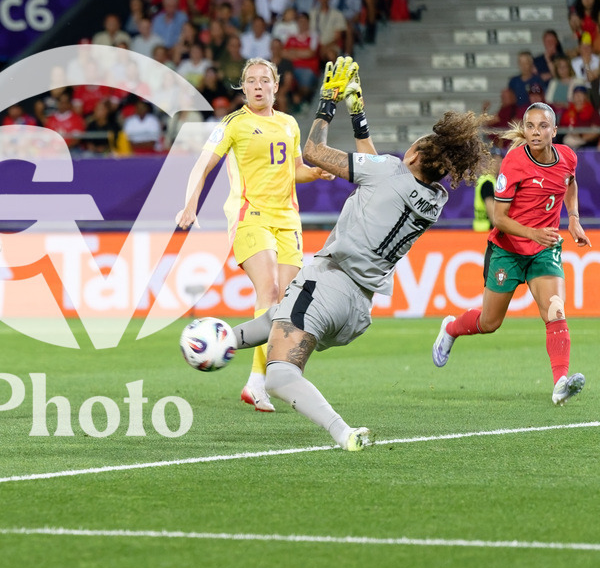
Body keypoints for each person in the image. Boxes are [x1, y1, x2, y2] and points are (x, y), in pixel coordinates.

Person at [225, 58, 491, 448]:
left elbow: (314, 151)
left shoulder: (387, 171)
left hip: (329, 282)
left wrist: (329, 101)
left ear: (415, 155)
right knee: (280, 317)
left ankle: (342, 432)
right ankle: (221, 341)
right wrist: (359, 114)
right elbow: (377, 170)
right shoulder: (435, 198)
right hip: (356, 310)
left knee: (280, 376)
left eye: (414, 144)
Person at [176, 57, 362, 413]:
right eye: (251, 80)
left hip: (288, 220)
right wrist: (190, 204)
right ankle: (260, 381)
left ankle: (256, 380)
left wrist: (316, 173)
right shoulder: (234, 123)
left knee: (284, 306)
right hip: (250, 217)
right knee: (270, 291)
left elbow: (294, 171)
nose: (258, 85)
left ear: (276, 86)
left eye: (265, 80)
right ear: (242, 88)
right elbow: (203, 165)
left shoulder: (289, 124)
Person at [433, 103, 591, 406]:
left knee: (555, 308)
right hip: (508, 249)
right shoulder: (515, 162)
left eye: (543, 126)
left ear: (554, 131)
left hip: (544, 250)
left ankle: (560, 382)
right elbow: (500, 218)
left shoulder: (567, 157)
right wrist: (533, 232)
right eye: (530, 125)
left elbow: (569, 184)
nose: (535, 131)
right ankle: (451, 328)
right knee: (490, 322)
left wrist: (573, 218)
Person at [473, 147, 502, 232]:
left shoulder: (485, 180)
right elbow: (491, 210)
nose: (500, 164)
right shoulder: (488, 183)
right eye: (498, 161)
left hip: (480, 228)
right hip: (486, 230)